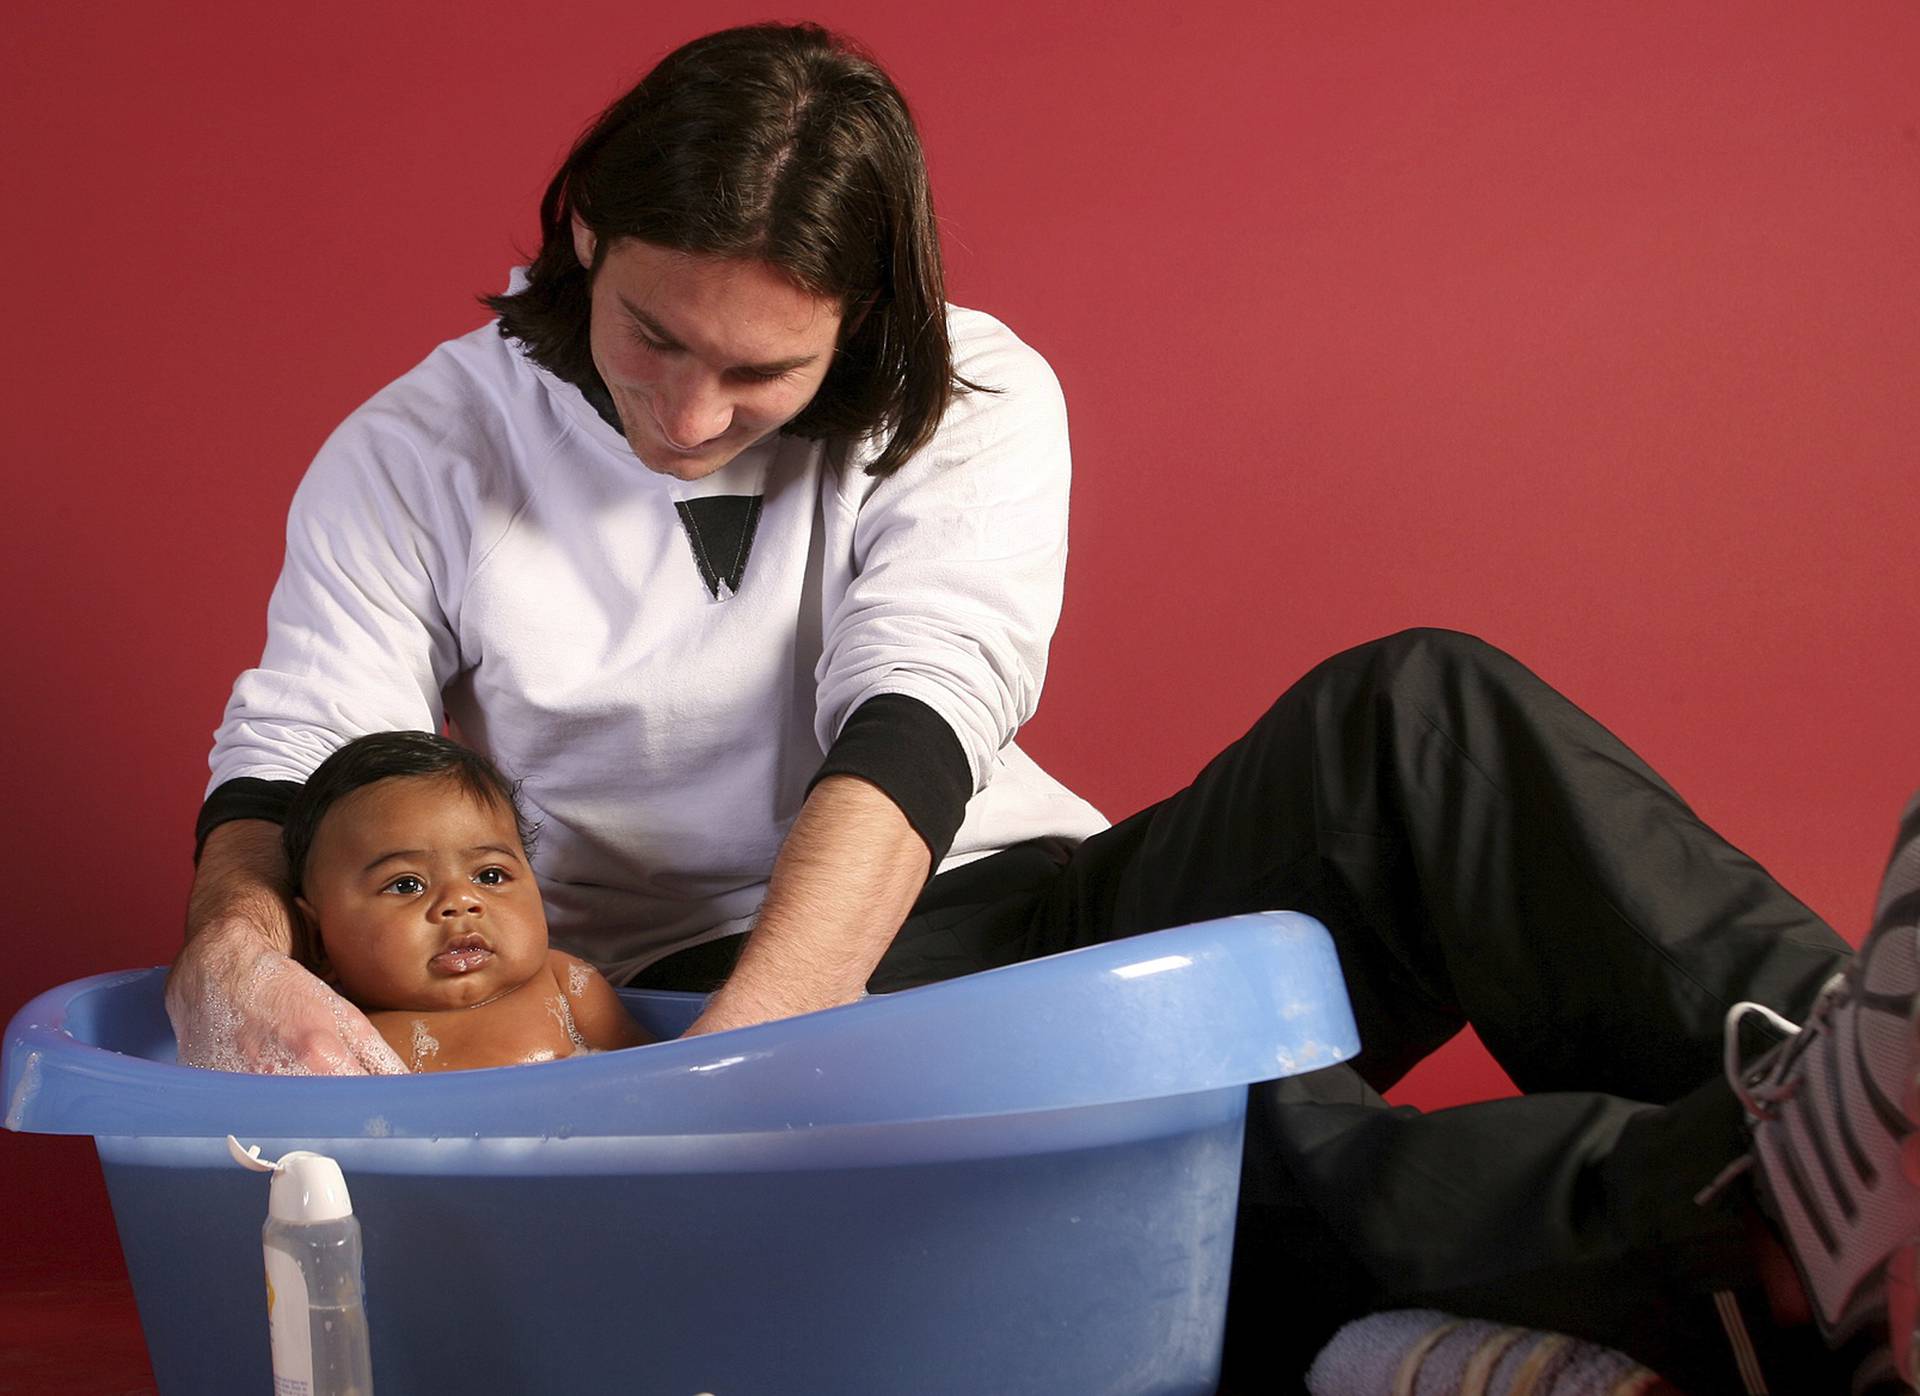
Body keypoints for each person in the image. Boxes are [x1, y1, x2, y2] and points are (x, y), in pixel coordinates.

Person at [160, 21, 1919, 1394]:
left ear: (864, 325)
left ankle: (1858, 1084)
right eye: (649, 336)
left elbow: (917, 718)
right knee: (1161, 1121)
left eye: (759, 369)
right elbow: (297, 759)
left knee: (1424, 711)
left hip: (961, 911)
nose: (688, 412)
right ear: (586, 237)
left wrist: (767, 1060)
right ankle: (1750, 1222)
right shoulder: (418, 447)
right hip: (689, 997)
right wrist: (237, 958)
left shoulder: (977, 388)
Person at [277, 731, 649, 1072]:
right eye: (407, 885)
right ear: (317, 939)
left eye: (490, 876)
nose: (460, 901)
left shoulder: (567, 985)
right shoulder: (327, 1030)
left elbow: (649, 1080)